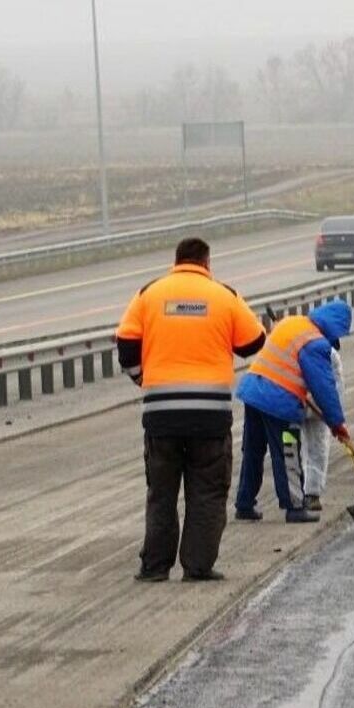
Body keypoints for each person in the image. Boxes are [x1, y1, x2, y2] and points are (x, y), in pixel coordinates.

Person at [115, 237, 266, 583]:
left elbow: (125, 343)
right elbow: (254, 342)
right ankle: (198, 567)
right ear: (206, 262)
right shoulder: (223, 295)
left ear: (177, 260)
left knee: (161, 493)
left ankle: (154, 567)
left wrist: (144, 380)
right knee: (208, 492)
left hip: (161, 414)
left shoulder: (149, 293)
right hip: (210, 416)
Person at [235, 299, 352, 523]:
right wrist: (337, 423)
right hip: (277, 402)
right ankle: (294, 506)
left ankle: (244, 504)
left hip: (253, 392)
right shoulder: (315, 343)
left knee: (253, 451)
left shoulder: (292, 323)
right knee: (288, 452)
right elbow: (323, 387)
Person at [298, 341, 343, 513]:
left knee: (304, 449)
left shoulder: (300, 346)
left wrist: (337, 421)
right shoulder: (330, 354)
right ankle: (308, 493)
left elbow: (336, 389)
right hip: (303, 404)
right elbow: (337, 389)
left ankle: (307, 493)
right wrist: (337, 420)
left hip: (309, 405)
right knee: (313, 449)